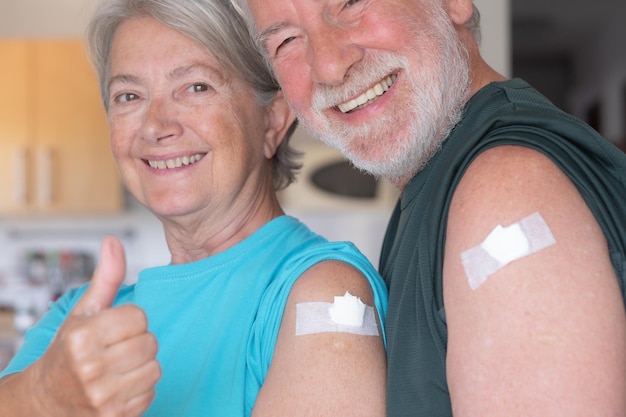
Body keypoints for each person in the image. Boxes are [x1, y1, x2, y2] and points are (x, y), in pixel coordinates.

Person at [229, 0, 626, 415]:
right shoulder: (439, 190)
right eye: (287, 41)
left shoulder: (503, 198)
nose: (329, 65)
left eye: (351, 3)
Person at [0, 0, 389, 416]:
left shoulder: (326, 294)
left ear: (272, 121)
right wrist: (43, 397)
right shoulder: (79, 320)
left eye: (196, 87)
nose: (156, 125)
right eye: (129, 96)